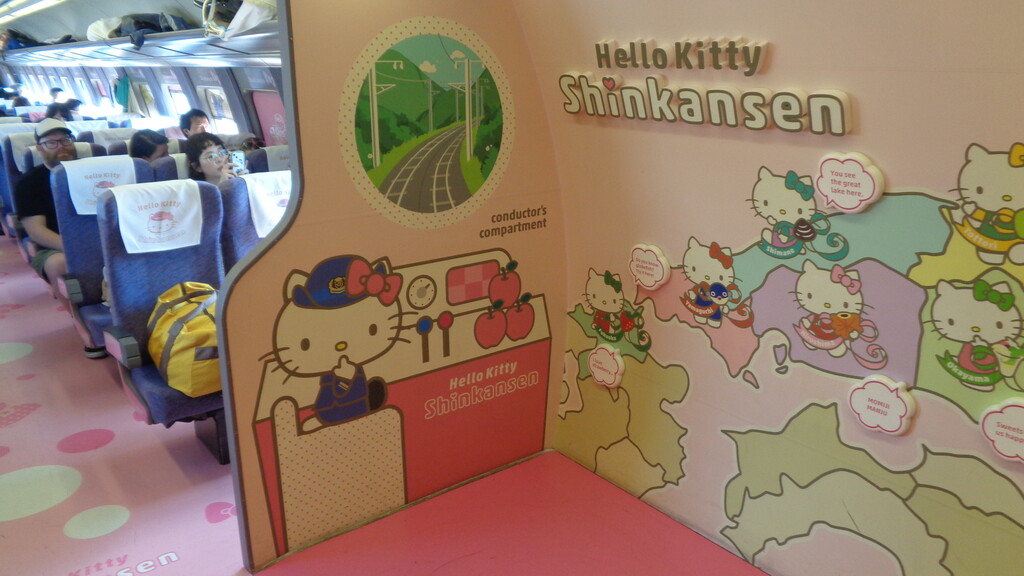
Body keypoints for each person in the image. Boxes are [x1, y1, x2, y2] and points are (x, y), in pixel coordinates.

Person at [13, 118, 78, 296]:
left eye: (65, 140)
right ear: (40, 148)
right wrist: (77, 248)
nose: (61, 146)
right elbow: (36, 231)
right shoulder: (29, 182)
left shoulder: (93, 172)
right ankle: (73, 309)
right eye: (51, 143)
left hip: (101, 240)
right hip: (53, 246)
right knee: (60, 264)